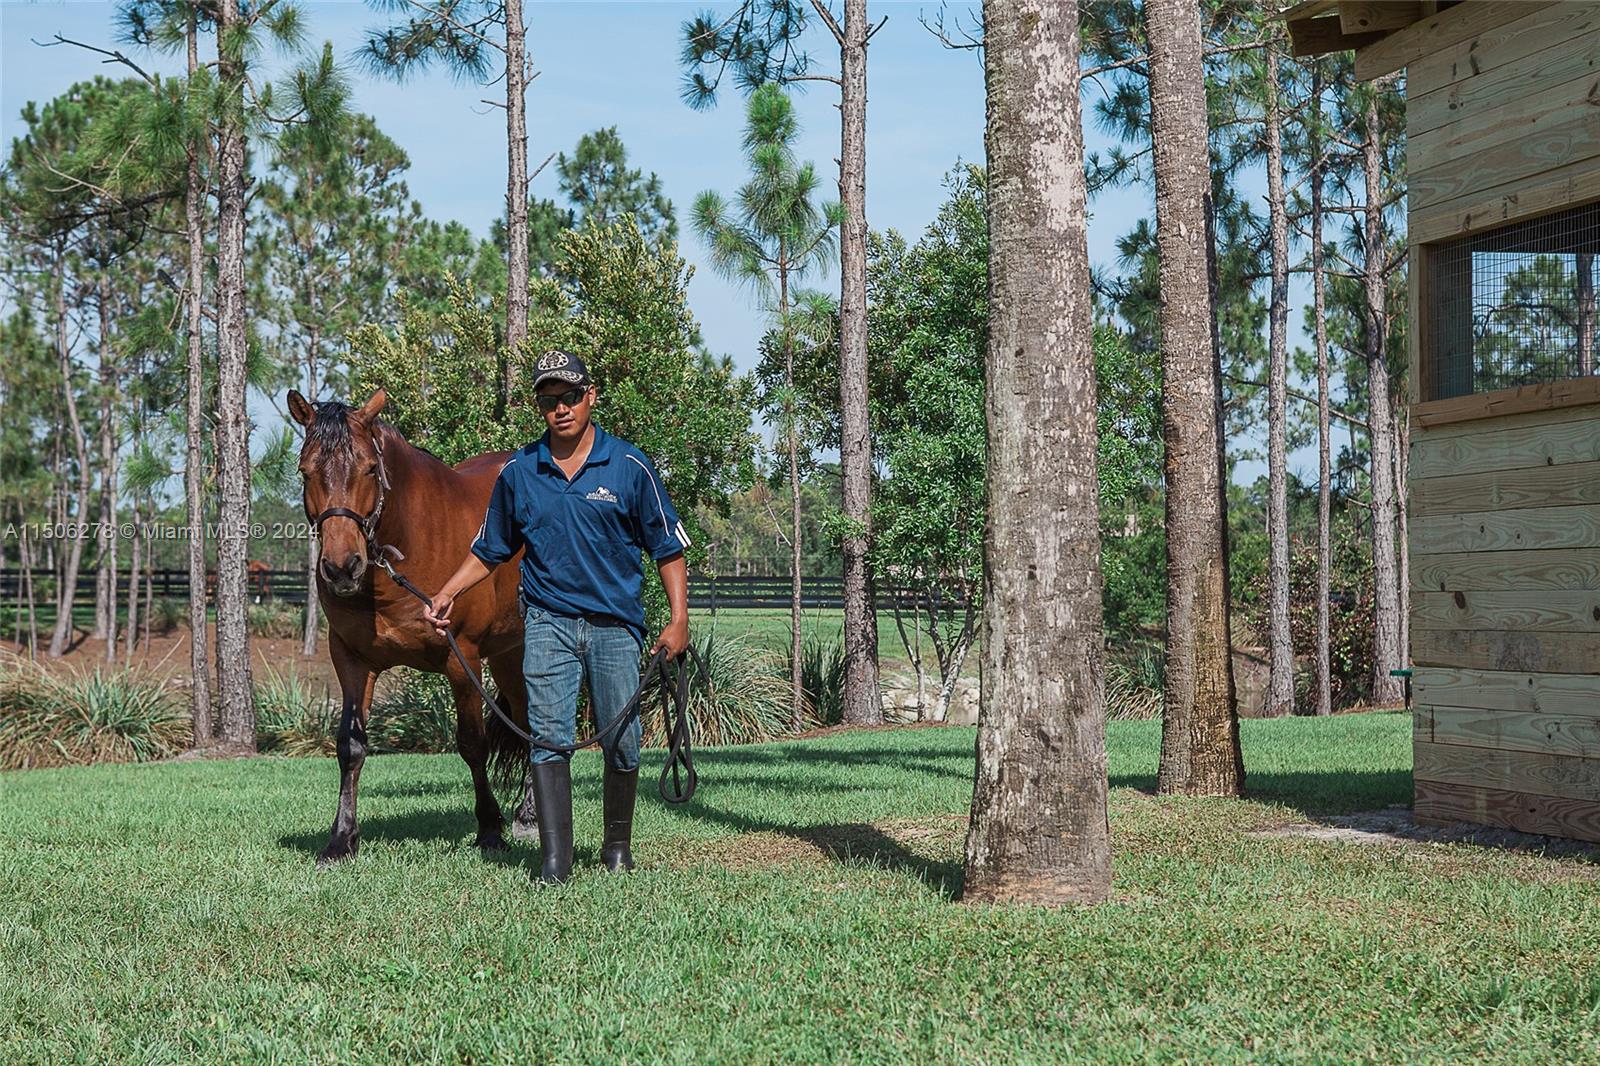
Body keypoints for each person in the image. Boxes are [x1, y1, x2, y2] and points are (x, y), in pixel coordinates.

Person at [424, 348, 690, 884]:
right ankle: (554, 861)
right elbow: (489, 547)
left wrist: (678, 619)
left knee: (622, 739)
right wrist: (448, 592)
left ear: (590, 397)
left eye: (570, 396)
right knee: (547, 736)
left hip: (616, 627)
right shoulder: (521, 472)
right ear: (540, 407)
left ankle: (617, 848)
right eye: (549, 400)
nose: (561, 408)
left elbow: (668, 547)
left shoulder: (629, 466)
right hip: (545, 624)